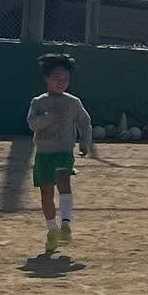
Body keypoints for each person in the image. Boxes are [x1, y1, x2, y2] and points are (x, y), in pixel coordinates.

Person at [27, 53, 93, 254]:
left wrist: (85, 142)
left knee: (64, 181)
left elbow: (85, 122)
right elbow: (32, 124)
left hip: (64, 151)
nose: (61, 82)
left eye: (65, 79)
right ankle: (52, 230)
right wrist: (48, 118)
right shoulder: (39, 102)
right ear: (47, 78)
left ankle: (65, 223)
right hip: (44, 154)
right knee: (46, 192)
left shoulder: (73, 102)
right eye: (56, 77)